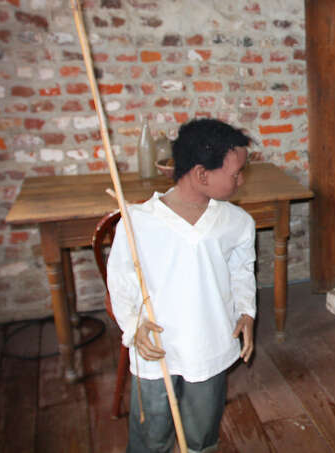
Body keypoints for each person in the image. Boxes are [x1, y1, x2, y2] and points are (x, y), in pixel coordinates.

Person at [107, 118, 256, 453]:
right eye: (235, 173)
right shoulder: (138, 222)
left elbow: (242, 271)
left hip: (210, 345)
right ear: (202, 174)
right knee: (150, 435)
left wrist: (246, 311)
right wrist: (133, 326)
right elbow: (120, 280)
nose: (241, 180)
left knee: (202, 433)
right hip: (156, 347)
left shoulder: (237, 223)